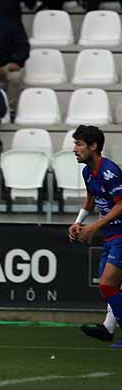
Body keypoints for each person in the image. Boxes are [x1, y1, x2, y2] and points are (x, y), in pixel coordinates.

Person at [68, 125, 122, 349]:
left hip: (120, 233)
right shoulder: (87, 171)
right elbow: (91, 199)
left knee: (108, 283)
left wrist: (95, 226)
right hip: (111, 234)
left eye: (79, 144)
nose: (74, 149)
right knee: (109, 286)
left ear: (94, 146)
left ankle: (110, 328)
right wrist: (79, 222)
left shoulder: (110, 171)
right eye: (75, 144)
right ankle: (108, 329)